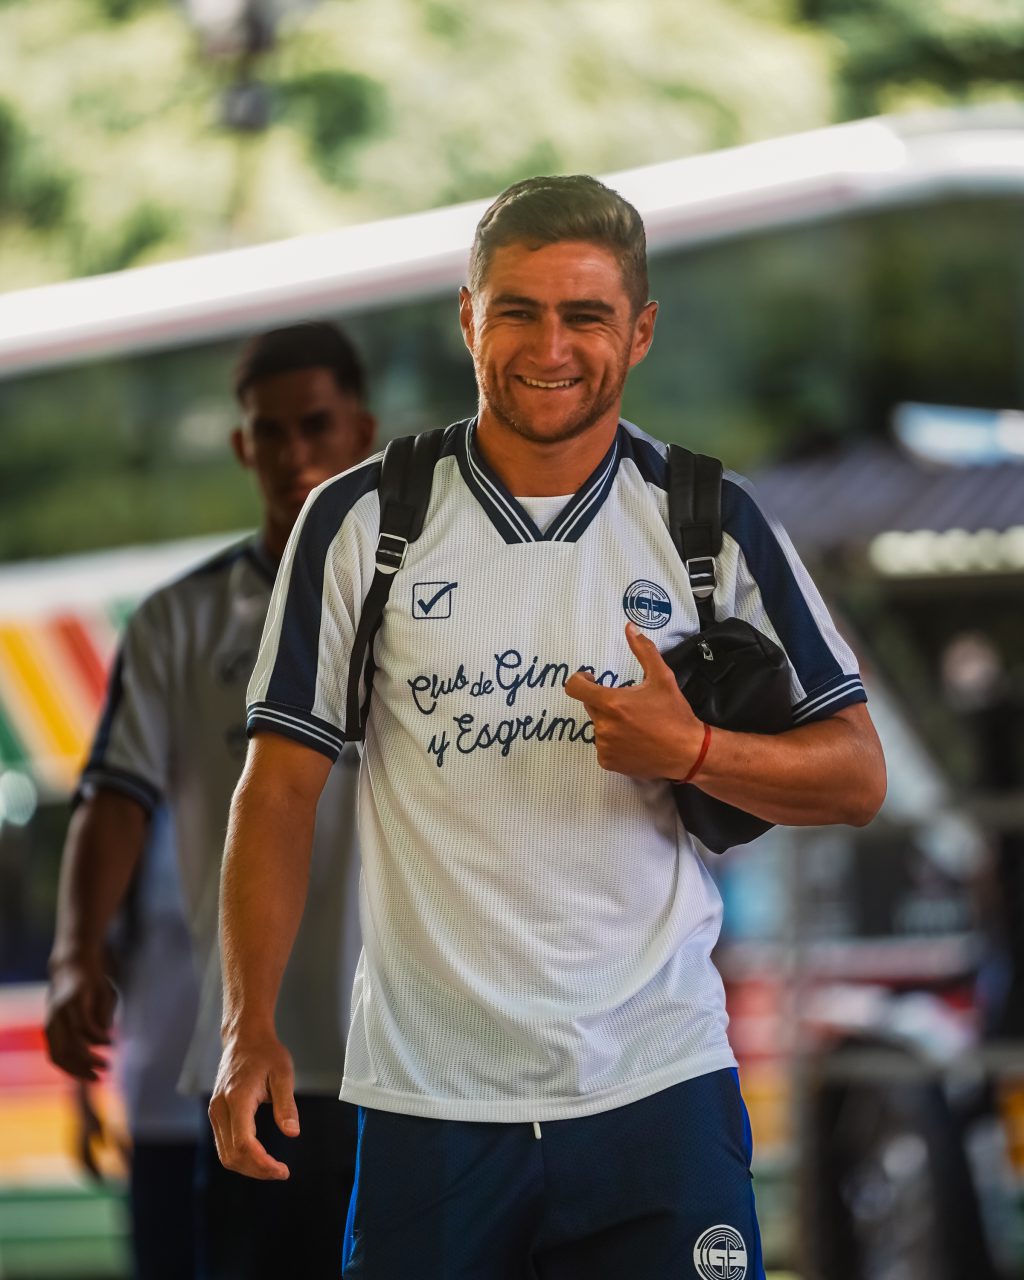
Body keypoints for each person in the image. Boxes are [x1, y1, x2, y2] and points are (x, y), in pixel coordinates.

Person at [210, 177, 887, 1279]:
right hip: (430, 1099)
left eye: (586, 315)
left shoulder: (708, 521)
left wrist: (692, 751)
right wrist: (248, 1025)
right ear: (467, 317)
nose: (551, 346)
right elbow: (278, 790)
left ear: (642, 330)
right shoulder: (363, 522)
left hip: (657, 1085)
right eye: (517, 310)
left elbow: (857, 776)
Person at [45, 321, 375, 1280]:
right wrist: (73, 955)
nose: (293, 452)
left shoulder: (429, 603)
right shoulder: (177, 623)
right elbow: (114, 798)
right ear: (241, 445)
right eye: (269, 431)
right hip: (251, 1059)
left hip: (419, 1059)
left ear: (362, 429)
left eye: (315, 424)